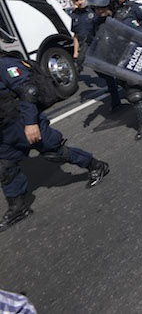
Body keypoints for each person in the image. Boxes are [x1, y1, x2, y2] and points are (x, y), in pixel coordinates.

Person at [0, 52, 109, 232]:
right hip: (5, 132)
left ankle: (96, 166)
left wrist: (30, 123)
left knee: (55, 153)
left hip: (23, 122)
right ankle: (18, 207)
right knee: (5, 167)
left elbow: (29, 91)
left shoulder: (5, 65)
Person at [87, 0, 142, 140]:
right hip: (116, 66)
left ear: (110, 6)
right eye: (96, 9)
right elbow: (96, 44)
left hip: (135, 61)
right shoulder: (97, 25)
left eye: (101, 8)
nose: (99, 12)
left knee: (135, 95)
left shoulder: (125, 18)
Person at [70, 0, 122, 110]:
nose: (79, 2)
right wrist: (76, 52)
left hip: (101, 45)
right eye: (76, 0)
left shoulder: (95, 10)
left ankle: (116, 101)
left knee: (108, 73)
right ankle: (115, 86)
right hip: (87, 46)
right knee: (99, 72)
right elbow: (76, 35)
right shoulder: (74, 15)